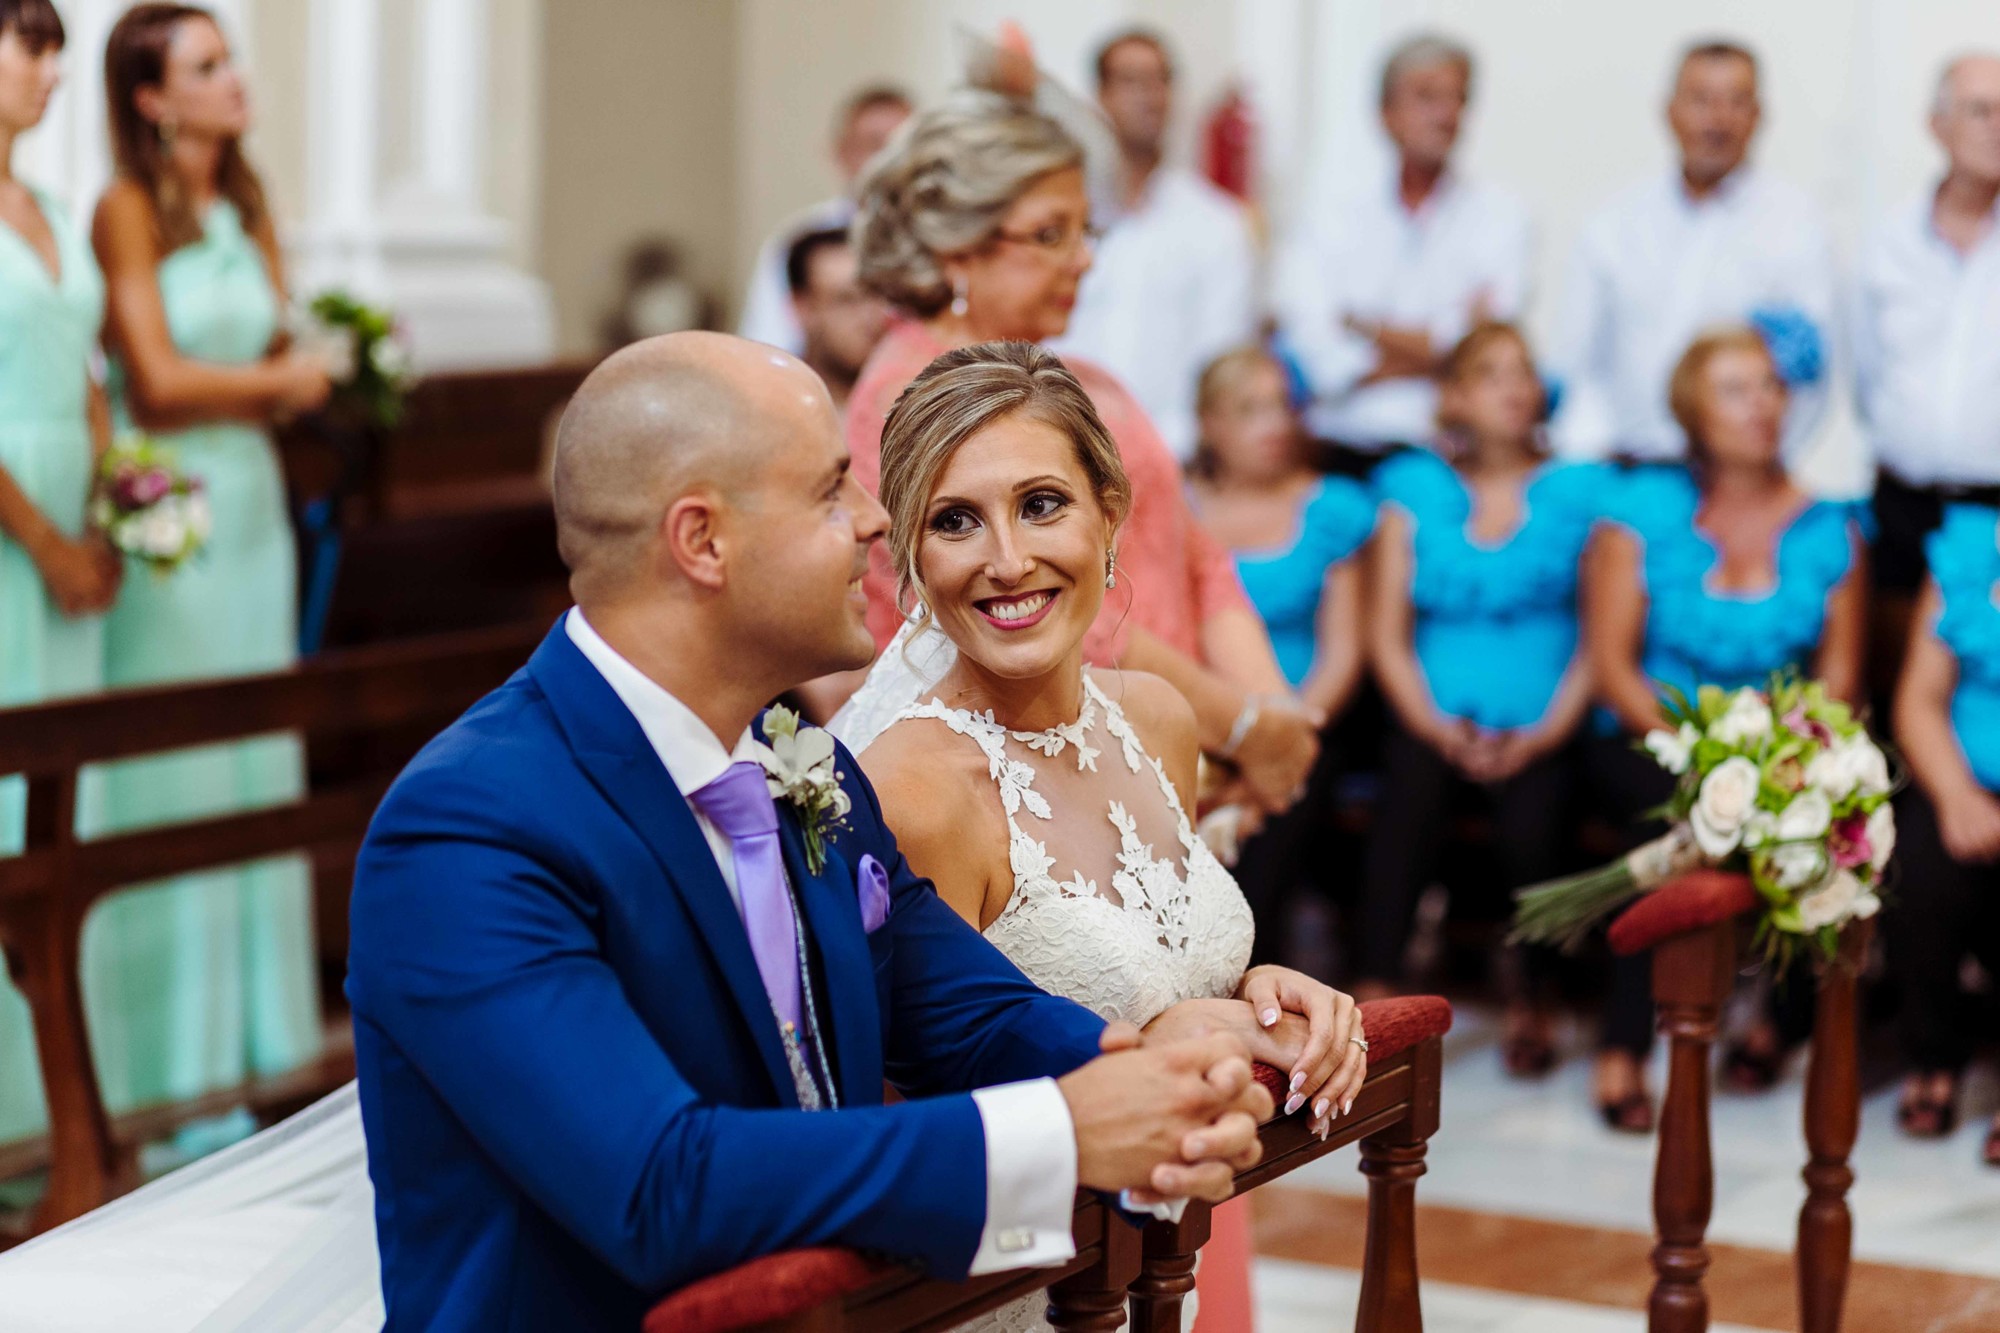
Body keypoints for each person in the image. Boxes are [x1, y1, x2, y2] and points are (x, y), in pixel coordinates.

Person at [0, 334, 1293, 1333]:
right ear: (703, 542)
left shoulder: (802, 762)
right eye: (832, 489)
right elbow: (656, 1185)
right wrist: (1072, 1132)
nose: (869, 525)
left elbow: (948, 1003)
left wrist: (1148, 1050)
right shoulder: (473, 828)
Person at [850, 340, 1366, 1332]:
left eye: (1042, 504)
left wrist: (1249, 990)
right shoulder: (915, 790)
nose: (1007, 560)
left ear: (1110, 513)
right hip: (1020, 1292)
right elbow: (901, 1132)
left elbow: (1151, 963)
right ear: (909, 558)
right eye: (954, 521)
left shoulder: (1156, 717)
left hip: (1164, 1263)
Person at [841, 89, 1318, 823]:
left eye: (1085, 229)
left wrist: (1269, 713)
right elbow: (1052, 605)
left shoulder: (1081, 379)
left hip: (1181, 747)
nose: (1084, 258)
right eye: (1050, 233)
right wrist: (1241, 728)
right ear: (958, 245)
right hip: (1050, 779)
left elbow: (1199, 558)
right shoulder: (915, 396)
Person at [89, 1, 331, 1133]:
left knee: (253, 755)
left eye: (229, 57)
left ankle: (259, 1049)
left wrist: (320, 366)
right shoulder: (126, 209)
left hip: (252, 507)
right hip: (174, 511)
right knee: (177, 764)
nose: (235, 79)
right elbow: (155, 380)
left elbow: (276, 342)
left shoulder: (246, 202)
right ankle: (155, 1072)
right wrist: (281, 385)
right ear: (151, 97)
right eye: (205, 65)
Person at [1586, 327, 1866, 1124]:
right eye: (1738, 390)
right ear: (1693, 413)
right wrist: (1701, 758)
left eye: (1772, 387)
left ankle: (1778, 1024)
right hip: (1650, 739)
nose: (1763, 406)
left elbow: (1837, 678)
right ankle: (1624, 1044)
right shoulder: (1637, 518)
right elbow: (1614, 666)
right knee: (1676, 824)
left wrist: (1774, 760)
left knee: (1811, 818)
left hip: (1782, 747)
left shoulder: (1829, 526)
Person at [1361, 323, 1600, 1081]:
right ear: (1455, 395)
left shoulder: (1579, 492)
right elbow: (1387, 634)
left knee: (1538, 821)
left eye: (1523, 371)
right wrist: (1430, 724)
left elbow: (1603, 633)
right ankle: (1373, 986)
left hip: (1545, 721)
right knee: (1407, 801)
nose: (1512, 386)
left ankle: (1536, 992)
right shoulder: (1415, 489)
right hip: (1434, 718)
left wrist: (1545, 731)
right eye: (1490, 373)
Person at [0, 0, 120, 1146]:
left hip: (71, 517)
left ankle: (61, 1099)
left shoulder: (46, 205)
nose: (49, 69)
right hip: (6, 530)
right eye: (29, 43)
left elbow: (84, 369)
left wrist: (112, 508)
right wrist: (40, 539)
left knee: (69, 804)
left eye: (54, 48)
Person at [1550, 41, 1837, 464]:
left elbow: (1811, 378)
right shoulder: (1613, 226)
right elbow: (1575, 364)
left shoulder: (1798, 229)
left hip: (1738, 481)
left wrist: (1761, 475)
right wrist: (1591, 458)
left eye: (1736, 102)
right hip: (1625, 472)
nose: (1717, 121)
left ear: (1759, 116)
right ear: (1668, 112)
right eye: (1701, 101)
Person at [1186, 346, 1373, 964]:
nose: (1274, 426)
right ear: (1210, 423)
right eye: (1250, 410)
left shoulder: (1330, 508)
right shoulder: (1176, 508)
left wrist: (1279, 731)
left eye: (1282, 407)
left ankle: (1248, 964)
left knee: (1289, 789)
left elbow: (1343, 652)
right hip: (1197, 720)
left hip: (1306, 714)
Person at [1271, 33, 1532, 460]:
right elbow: (1310, 346)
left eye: (1458, 99)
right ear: (1386, 114)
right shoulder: (1329, 216)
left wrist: (1363, 326)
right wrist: (1438, 351)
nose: (1447, 115)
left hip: (1448, 450)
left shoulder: (1503, 218)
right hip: (1337, 440)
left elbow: (1486, 351)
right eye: (1428, 97)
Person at [1049, 27, 1256, 460]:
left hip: (1174, 459)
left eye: (1161, 81)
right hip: (1059, 450)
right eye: (1131, 81)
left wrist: (1156, 456)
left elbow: (1221, 368)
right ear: (1098, 97)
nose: (1150, 95)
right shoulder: (1056, 218)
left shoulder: (1218, 224)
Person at [1852, 54, 2000, 643]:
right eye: (1980, 110)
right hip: (1904, 508)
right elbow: (1866, 379)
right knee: (1890, 685)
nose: (1997, 126)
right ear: (1936, 124)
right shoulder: (1888, 241)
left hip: (1996, 513)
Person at [1889, 502, 2000, 1166]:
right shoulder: (1966, 546)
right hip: (1960, 778)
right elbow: (1919, 698)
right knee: (1918, 868)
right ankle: (1932, 1056)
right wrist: (1957, 794)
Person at [737, 84, 911, 354]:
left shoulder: (952, 240)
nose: (891, 159)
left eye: (905, 144)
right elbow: (766, 347)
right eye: (876, 144)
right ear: (841, 152)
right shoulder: (799, 242)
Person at [785, 226, 890, 414]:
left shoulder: (912, 398)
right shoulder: (772, 406)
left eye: (876, 294)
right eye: (846, 300)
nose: (870, 316)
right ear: (802, 307)